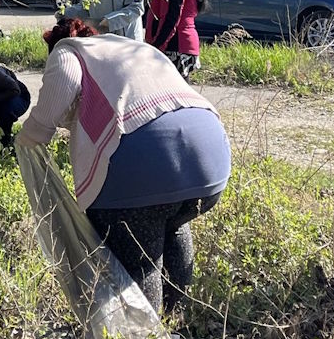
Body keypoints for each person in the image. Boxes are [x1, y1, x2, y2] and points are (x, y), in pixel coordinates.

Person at [17, 18, 230, 318]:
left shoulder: (69, 50)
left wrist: (30, 137)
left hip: (144, 162)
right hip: (210, 155)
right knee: (172, 222)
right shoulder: (131, 48)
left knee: (140, 258)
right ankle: (176, 322)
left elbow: (63, 84)